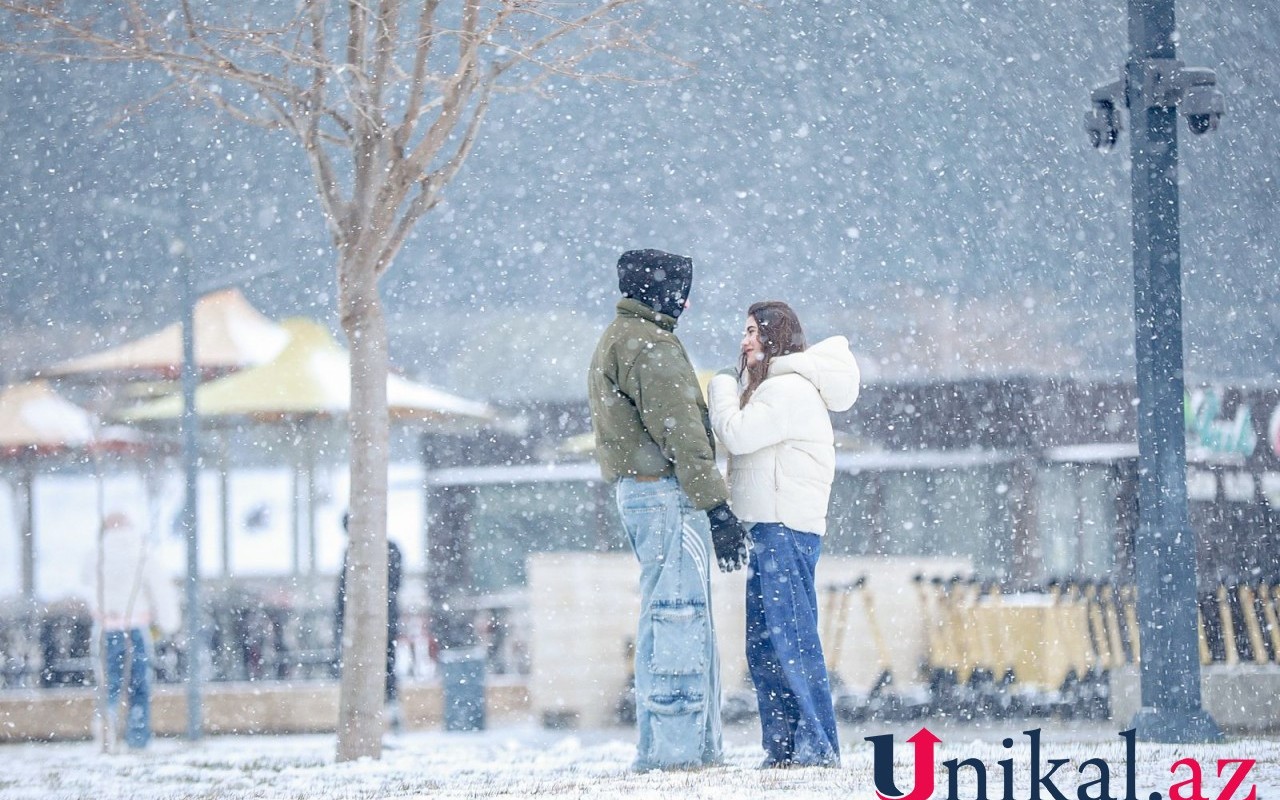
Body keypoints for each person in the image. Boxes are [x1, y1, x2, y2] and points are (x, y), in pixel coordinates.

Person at [587, 248, 752, 772]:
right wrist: (718, 510)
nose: (684, 300)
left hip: (643, 493)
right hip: (665, 497)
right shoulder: (650, 346)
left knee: (674, 615)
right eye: (679, 288)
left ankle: (693, 748)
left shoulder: (619, 338)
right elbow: (683, 434)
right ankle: (676, 754)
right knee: (678, 618)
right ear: (655, 290)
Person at [706, 301, 860, 768]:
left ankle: (816, 746)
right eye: (744, 330)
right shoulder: (775, 388)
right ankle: (784, 747)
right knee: (766, 643)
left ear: (775, 337)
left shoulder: (787, 389)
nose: (744, 339)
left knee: (790, 639)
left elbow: (735, 434)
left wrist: (719, 387)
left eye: (753, 331)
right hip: (771, 529)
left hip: (784, 529)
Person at [80, 511, 180, 751]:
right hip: (136, 627)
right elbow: (161, 590)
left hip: (105, 627)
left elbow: (86, 586)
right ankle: (137, 735)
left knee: (109, 683)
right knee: (139, 685)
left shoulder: (95, 554)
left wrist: (102, 610)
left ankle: (107, 720)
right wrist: (170, 624)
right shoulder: (141, 552)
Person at [335, 511, 404, 733]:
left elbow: (346, 592)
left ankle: (386, 713)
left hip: (378, 620)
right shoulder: (361, 552)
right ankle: (378, 714)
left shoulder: (378, 550)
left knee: (383, 665)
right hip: (373, 619)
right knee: (379, 666)